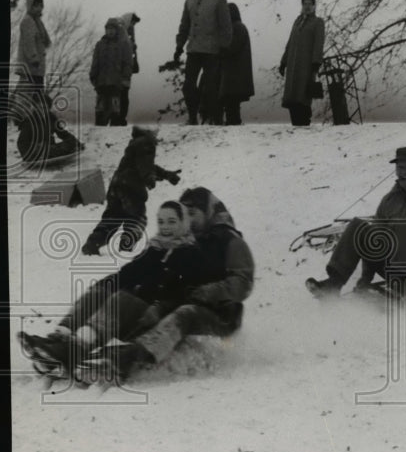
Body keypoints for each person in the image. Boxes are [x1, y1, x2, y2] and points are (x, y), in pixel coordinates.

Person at [72, 188, 255, 384]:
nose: (188, 219)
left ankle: (130, 357)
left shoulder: (229, 241)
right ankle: (77, 345)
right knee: (131, 303)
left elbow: (243, 281)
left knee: (185, 313)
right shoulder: (180, 240)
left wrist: (211, 291)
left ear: (207, 213)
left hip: (221, 314)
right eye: (185, 214)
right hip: (179, 304)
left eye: (193, 213)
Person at [18, 200, 205, 375]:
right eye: (161, 221)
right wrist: (103, 286)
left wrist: (159, 307)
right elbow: (128, 273)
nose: (165, 227)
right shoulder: (155, 248)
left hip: (153, 316)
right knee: (99, 293)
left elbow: (184, 294)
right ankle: (57, 340)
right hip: (132, 308)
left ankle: (74, 350)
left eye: (171, 221)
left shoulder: (191, 254)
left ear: (183, 223)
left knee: (120, 299)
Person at [305, 146, 406, 297]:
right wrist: (365, 278)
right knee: (358, 226)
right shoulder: (389, 200)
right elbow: (374, 242)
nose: (403, 172)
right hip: (389, 266)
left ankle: (402, 285)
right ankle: (334, 283)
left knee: (403, 225)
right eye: (399, 167)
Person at [81, 127, 182, 255]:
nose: (157, 132)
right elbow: (145, 166)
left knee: (113, 218)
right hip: (130, 187)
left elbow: (144, 164)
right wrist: (149, 179)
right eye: (156, 129)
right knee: (137, 218)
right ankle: (125, 248)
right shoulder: (146, 142)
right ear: (149, 129)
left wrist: (167, 175)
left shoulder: (136, 142)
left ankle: (92, 244)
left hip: (116, 184)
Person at [173, 0, 233, 125]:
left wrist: (224, 47)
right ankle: (192, 117)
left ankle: (216, 118)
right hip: (193, 49)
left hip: (212, 51)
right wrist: (179, 46)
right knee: (188, 86)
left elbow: (226, 26)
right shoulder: (189, 1)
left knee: (212, 87)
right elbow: (184, 26)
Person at [279, 0, 326, 126]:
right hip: (293, 66)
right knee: (292, 97)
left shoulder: (318, 22)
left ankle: (304, 123)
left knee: (303, 95)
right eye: (305, 4)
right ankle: (295, 123)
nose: (307, 6)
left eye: (309, 4)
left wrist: (316, 63)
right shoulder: (297, 21)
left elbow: (319, 43)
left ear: (314, 6)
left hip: (306, 66)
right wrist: (283, 62)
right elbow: (290, 43)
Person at [13, 88, 83, 165]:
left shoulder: (51, 118)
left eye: (44, 106)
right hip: (35, 151)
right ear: (35, 107)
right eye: (39, 106)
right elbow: (22, 143)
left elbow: (63, 134)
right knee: (48, 150)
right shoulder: (29, 122)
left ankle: (55, 153)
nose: (42, 109)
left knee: (66, 145)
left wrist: (76, 143)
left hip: (50, 148)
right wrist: (29, 155)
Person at [89, 18, 133, 126]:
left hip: (116, 83)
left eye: (112, 29)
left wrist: (125, 78)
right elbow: (95, 62)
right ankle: (99, 129)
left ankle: (115, 129)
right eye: (108, 29)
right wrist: (93, 77)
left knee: (115, 110)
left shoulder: (123, 44)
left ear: (117, 30)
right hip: (101, 83)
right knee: (100, 109)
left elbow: (128, 63)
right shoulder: (100, 45)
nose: (110, 31)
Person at [218, 3, 255, 125]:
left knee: (232, 102)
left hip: (236, 74)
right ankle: (233, 122)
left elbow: (232, 47)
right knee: (231, 103)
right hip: (235, 74)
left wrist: (219, 48)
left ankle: (233, 123)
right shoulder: (237, 27)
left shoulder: (238, 28)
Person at [17, 0, 50, 88]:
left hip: (36, 69)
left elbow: (44, 41)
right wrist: (33, 58)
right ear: (30, 6)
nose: (39, 8)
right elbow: (29, 42)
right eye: (36, 5)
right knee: (28, 96)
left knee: (35, 96)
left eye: (41, 6)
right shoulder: (28, 21)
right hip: (31, 67)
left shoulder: (37, 22)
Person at [116, 13, 141, 125]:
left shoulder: (126, 30)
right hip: (120, 68)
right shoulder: (121, 30)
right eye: (133, 22)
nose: (133, 25)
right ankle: (119, 118)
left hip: (125, 68)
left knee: (123, 94)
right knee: (121, 95)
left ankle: (120, 118)